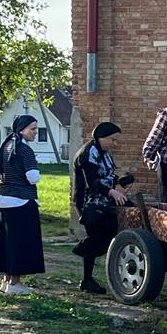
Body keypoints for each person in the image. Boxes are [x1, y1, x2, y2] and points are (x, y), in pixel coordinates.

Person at [72, 122, 135, 294]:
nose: (115, 144)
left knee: (113, 232)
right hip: (90, 202)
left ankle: (85, 251)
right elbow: (91, 181)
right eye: (113, 140)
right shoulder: (87, 154)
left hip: (104, 200)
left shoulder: (104, 153)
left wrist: (122, 181)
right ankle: (86, 278)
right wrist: (112, 191)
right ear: (101, 137)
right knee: (96, 238)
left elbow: (108, 176)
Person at [0, 114, 45, 295]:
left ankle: (5, 281)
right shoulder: (24, 150)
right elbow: (33, 177)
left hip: (4, 199)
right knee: (21, 243)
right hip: (22, 202)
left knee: (7, 243)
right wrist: (39, 173)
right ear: (22, 129)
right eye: (33, 129)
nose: (35, 132)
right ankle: (15, 283)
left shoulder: (5, 147)